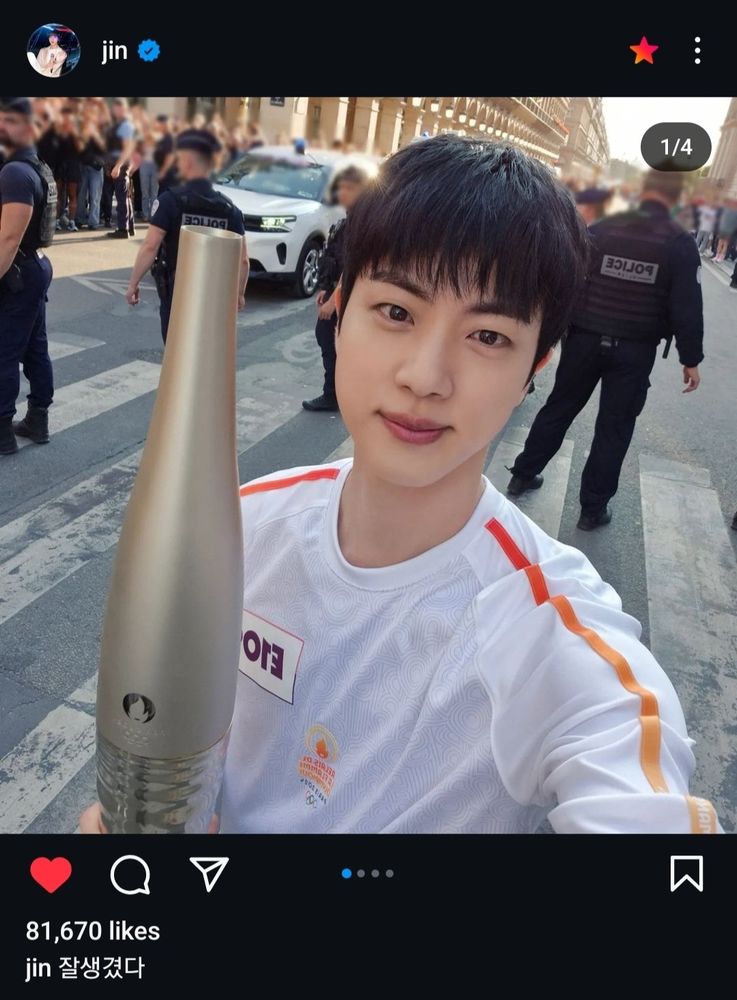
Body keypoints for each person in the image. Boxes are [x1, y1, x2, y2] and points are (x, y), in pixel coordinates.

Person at [81, 136, 721, 835]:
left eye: (487, 336)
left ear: (534, 366)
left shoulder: (549, 632)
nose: (425, 377)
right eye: (395, 312)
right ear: (338, 309)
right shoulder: (240, 530)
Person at [507, 169, 703, 531]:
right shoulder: (678, 242)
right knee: (614, 428)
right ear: (677, 197)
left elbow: (571, 276)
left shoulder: (605, 227)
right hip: (633, 349)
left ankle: (522, 474)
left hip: (584, 338)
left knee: (560, 407)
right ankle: (592, 510)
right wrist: (690, 359)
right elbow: (686, 306)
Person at [124, 129, 249, 343]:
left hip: (177, 291)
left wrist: (133, 283)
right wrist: (239, 293)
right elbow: (243, 260)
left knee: (175, 350)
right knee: (205, 350)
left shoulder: (170, 201)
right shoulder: (230, 210)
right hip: (214, 295)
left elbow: (150, 246)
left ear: (188, 163)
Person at [0, 98, 57, 455]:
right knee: (35, 348)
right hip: (33, 266)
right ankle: (38, 419)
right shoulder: (36, 165)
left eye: (7, 121)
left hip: (17, 270)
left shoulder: (15, 173)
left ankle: (2, 431)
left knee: (4, 351)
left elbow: (9, 238)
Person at [302, 165, 370, 412]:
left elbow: (353, 265)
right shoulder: (351, 219)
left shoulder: (362, 222)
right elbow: (335, 258)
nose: (341, 193)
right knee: (330, 339)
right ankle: (340, 393)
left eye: (347, 188)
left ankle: (334, 395)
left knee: (331, 339)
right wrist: (325, 287)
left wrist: (333, 301)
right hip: (339, 291)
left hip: (348, 296)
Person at [103, 98, 135, 239]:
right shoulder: (120, 125)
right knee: (125, 197)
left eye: (119, 108)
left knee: (122, 199)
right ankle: (129, 227)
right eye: (115, 108)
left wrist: (118, 166)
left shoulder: (125, 125)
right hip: (118, 164)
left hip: (120, 165)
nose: (116, 111)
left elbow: (127, 149)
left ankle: (123, 229)